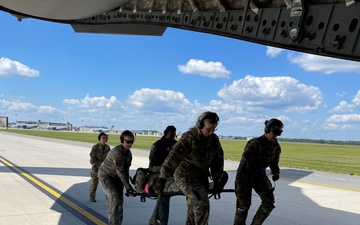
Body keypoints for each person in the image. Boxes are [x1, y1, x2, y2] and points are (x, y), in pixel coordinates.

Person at [153, 111, 224, 225]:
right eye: (208, 129)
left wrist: (217, 179)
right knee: (201, 201)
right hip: (185, 175)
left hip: (201, 176)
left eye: (214, 129)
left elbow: (217, 161)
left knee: (192, 207)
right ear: (200, 125)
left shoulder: (214, 140)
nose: (211, 132)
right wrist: (162, 177)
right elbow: (173, 158)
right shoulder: (189, 138)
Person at [233, 118, 284, 225]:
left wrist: (276, 172)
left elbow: (274, 163)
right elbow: (245, 163)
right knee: (243, 206)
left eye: (279, 133)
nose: (276, 135)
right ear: (267, 129)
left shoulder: (276, 147)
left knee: (269, 202)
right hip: (245, 176)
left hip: (259, 176)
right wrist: (242, 183)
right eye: (275, 132)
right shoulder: (254, 143)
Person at [98, 130, 136, 225]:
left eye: (131, 142)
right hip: (106, 176)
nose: (130, 144)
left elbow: (126, 171)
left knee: (119, 201)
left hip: (117, 178)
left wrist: (128, 186)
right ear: (122, 141)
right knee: (114, 198)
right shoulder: (117, 152)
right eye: (127, 142)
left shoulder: (128, 154)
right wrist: (128, 187)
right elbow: (120, 172)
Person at [148, 125, 177, 225]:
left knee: (165, 195)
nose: (173, 137)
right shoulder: (157, 145)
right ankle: (159, 221)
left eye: (174, 135)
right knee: (163, 194)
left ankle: (155, 219)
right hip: (158, 173)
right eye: (171, 135)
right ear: (165, 134)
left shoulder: (176, 145)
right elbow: (152, 164)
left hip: (172, 174)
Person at [89, 132, 111, 202]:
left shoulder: (107, 148)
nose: (104, 139)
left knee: (106, 185)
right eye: (103, 138)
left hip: (104, 169)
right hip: (96, 169)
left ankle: (108, 199)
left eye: (105, 138)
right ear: (99, 139)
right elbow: (92, 159)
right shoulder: (95, 147)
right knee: (94, 183)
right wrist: (96, 165)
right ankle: (92, 196)